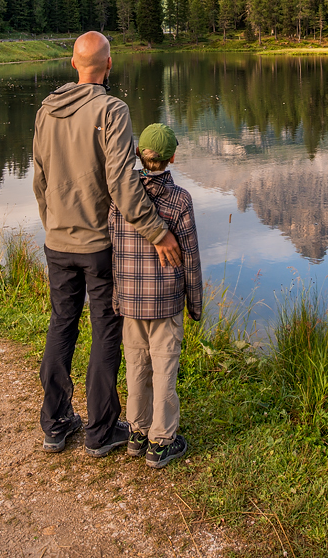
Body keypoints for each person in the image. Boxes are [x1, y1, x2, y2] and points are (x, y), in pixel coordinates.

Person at [32, 31, 183, 456]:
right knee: (105, 331)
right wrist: (157, 231)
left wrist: (53, 225)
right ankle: (99, 432)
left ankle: (55, 424)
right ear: (109, 65)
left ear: (73, 63)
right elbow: (122, 183)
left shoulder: (45, 110)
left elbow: (39, 179)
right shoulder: (112, 110)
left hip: (57, 242)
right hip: (98, 245)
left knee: (61, 324)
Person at [110, 123, 202, 469]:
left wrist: (117, 295)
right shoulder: (180, 200)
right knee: (164, 369)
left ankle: (137, 432)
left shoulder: (120, 197)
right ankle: (161, 442)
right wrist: (195, 304)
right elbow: (190, 257)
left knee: (136, 365)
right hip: (165, 302)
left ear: (137, 153)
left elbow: (113, 246)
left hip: (130, 300)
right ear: (172, 158)